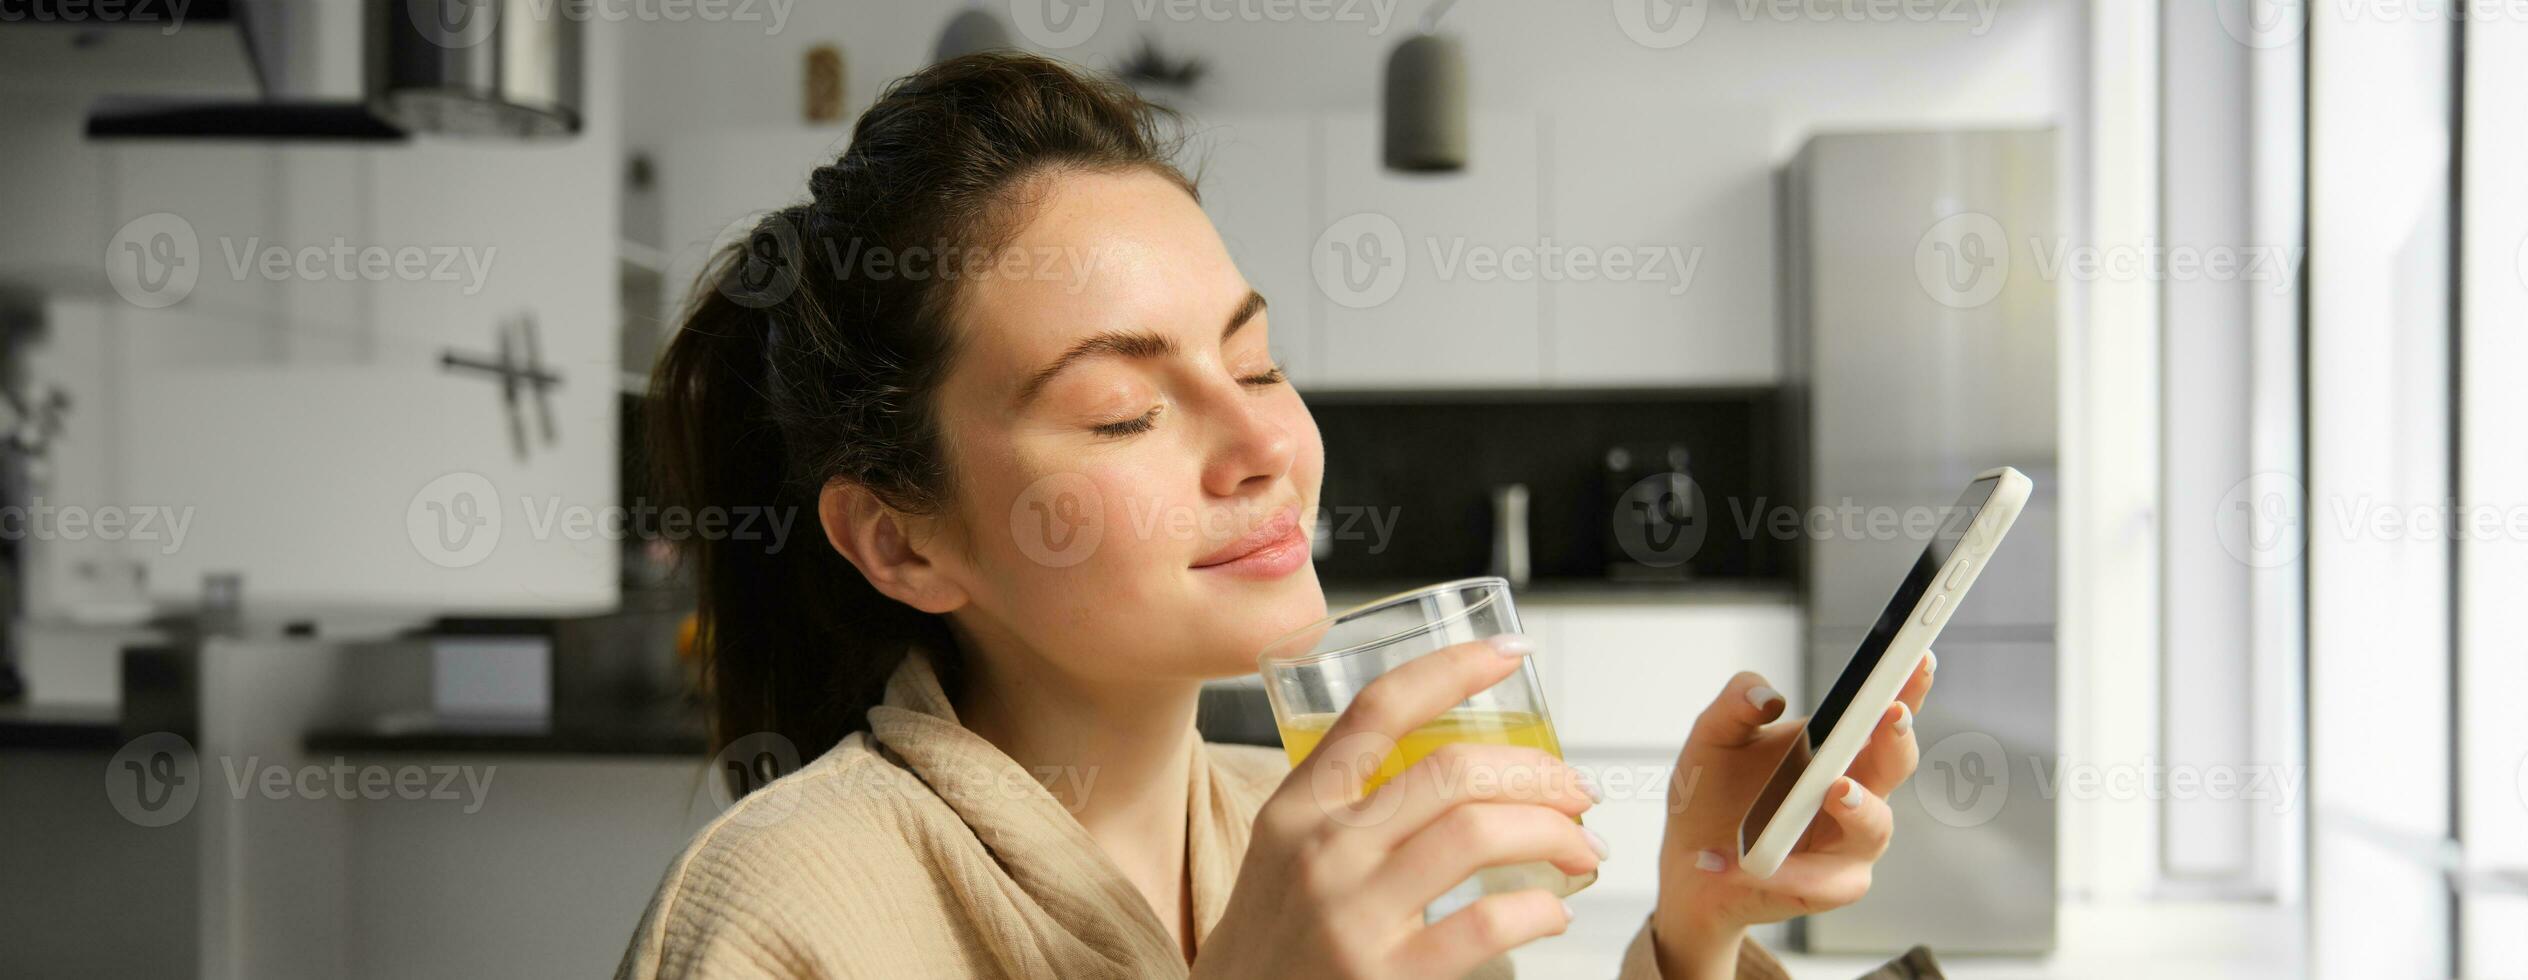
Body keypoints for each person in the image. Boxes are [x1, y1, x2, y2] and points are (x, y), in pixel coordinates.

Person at [618, 51, 1941, 980]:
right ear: (905, 541)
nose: (1268, 443)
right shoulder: (781, 915)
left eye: (1258, 364)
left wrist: (1694, 928)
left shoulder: (1301, 824)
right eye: (1127, 407)